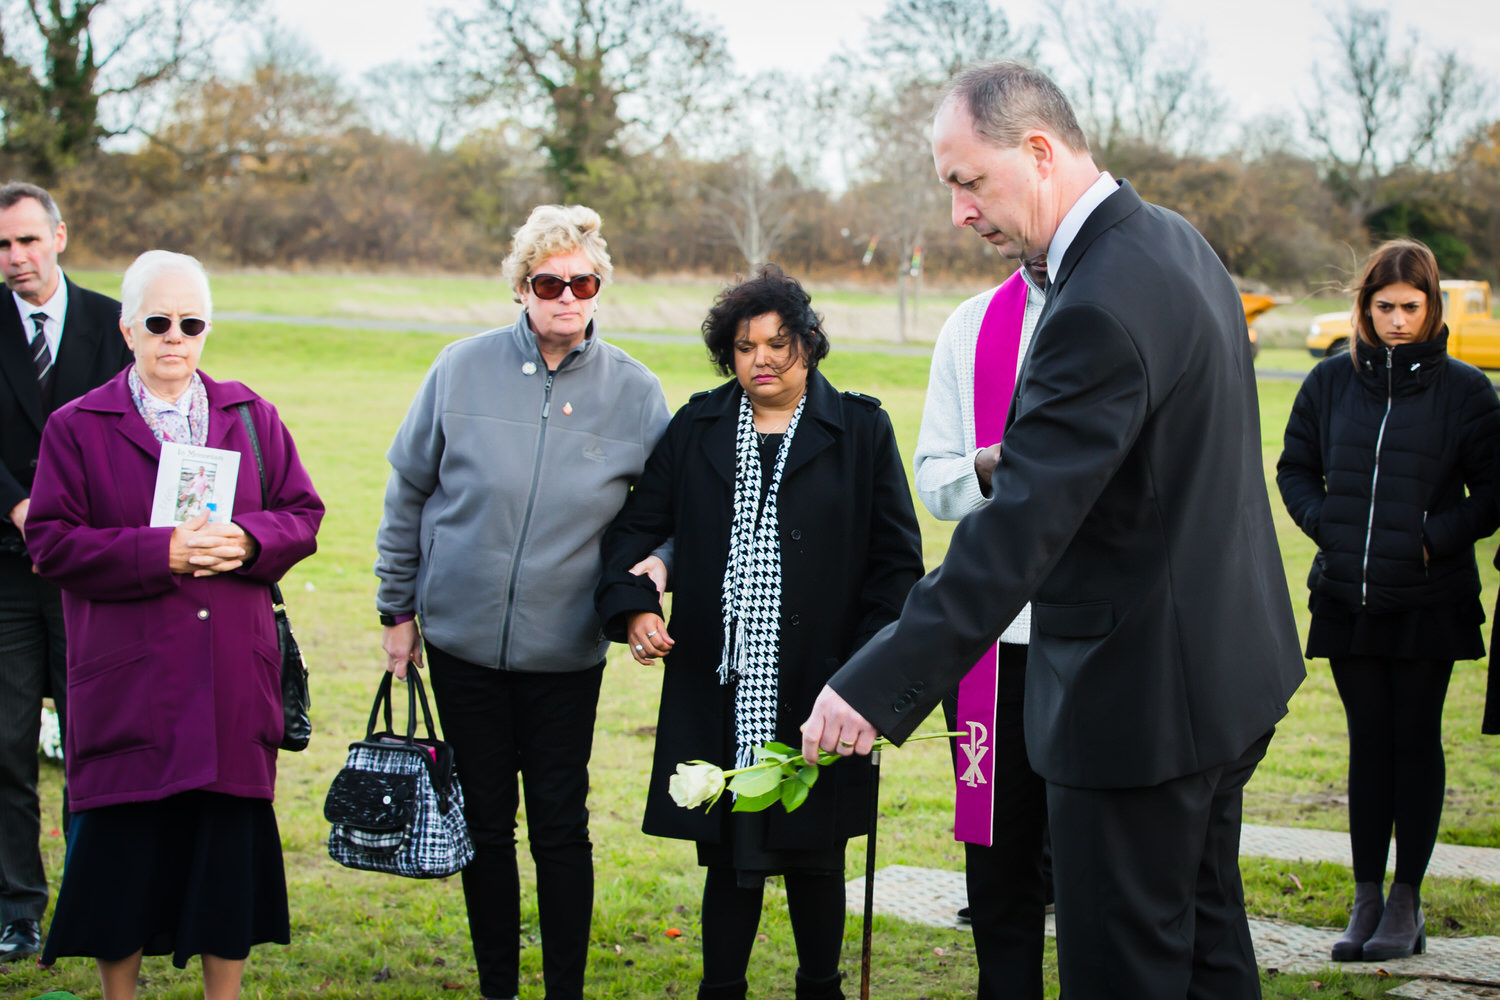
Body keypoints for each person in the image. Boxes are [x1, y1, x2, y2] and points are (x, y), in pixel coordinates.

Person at [800, 62, 1306, 999]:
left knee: (1124, 970)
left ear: (1038, 152)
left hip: (1139, 706)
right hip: (1224, 677)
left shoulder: (1094, 306)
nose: (959, 212)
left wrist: (875, 683)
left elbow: (1017, 532)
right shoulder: (1175, 243)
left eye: (967, 181)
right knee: (1204, 950)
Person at [595, 264, 924, 1000]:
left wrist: (866, 676)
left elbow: (895, 566)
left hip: (826, 680)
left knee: (816, 851)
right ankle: (723, 988)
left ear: (809, 344)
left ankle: (821, 987)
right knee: (730, 849)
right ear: (728, 355)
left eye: (780, 343)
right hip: (723, 679)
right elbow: (639, 530)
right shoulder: (699, 425)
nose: (764, 359)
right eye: (745, 347)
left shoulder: (861, 429)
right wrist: (636, 606)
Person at [374, 204, 670, 1000]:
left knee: (560, 829)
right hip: (462, 643)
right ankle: (497, 986)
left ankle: (564, 991)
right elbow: (409, 490)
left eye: (583, 282)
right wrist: (396, 611)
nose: (566, 297)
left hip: (565, 651)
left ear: (599, 286)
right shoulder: (458, 369)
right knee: (487, 827)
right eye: (549, 282)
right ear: (520, 287)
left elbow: (673, 516)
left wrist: (654, 575)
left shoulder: (637, 394)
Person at [24, 250, 324, 999]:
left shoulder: (249, 415)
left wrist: (252, 540)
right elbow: (51, 541)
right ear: (128, 329)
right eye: (158, 322)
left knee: (225, 853)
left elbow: (302, 513)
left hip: (228, 674)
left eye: (191, 323)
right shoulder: (78, 425)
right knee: (119, 858)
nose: (174, 338)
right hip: (131, 678)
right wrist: (164, 552)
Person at [1277, 238, 1500, 962]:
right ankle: (1366, 895)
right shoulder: (1328, 384)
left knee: (1416, 740)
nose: (1398, 320)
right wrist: (1333, 532)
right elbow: (1295, 470)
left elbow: (1494, 491)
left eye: (1411, 306)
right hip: (1347, 596)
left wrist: (1433, 540)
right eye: (1385, 307)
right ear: (1364, 308)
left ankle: (1407, 900)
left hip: (1428, 600)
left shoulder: (1469, 392)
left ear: (1432, 307)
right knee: (1368, 745)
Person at [0, 181, 131, 965]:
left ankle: (96, 899)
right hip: (7, 569)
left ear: (60, 237)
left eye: (27, 240)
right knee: (6, 746)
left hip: (89, 570)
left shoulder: (113, 323)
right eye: (2, 246)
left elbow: (134, 423)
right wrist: (19, 506)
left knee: (95, 742)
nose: (16, 258)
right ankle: (17, 907)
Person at [913, 251, 1049, 999]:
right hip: (999, 646)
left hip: (1107, 642)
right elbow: (934, 480)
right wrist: (993, 465)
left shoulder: (1120, 309)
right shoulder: (971, 326)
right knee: (1000, 871)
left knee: (1101, 868)